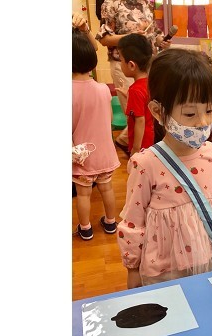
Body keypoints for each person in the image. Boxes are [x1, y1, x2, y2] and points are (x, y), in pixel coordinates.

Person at [116, 49, 212, 288]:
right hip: (163, 269)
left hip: (206, 257)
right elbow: (133, 222)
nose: (203, 122)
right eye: (190, 113)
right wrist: (132, 269)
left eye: (209, 110)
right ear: (157, 111)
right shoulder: (146, 164)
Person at [96, 0, 172, 148]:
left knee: (148, 111)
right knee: (137, 116)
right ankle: (135, 147)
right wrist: (131, 37)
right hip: (125, 64)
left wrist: (161, 41)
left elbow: (153, 34)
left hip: (147, 64)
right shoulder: (112, 3)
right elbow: (104, 39)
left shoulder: (147, 3)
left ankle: (132, 143)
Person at [72, 29, 121, 240]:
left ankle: (85, 228)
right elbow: (108, 118)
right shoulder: (103, 89)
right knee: (107, 189)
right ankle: (110, 223)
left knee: (83, 194)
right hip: (105, 153)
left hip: (82, 155)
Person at [116, 34, 155, 157]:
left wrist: (135, 148)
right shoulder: (149, 83)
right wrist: (128, 95)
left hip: (141, 143)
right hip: (150, 138)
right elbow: (144, 104)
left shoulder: (135, 90)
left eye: (121, 60)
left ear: (131, 65)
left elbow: (140, 120)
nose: (120, 64)